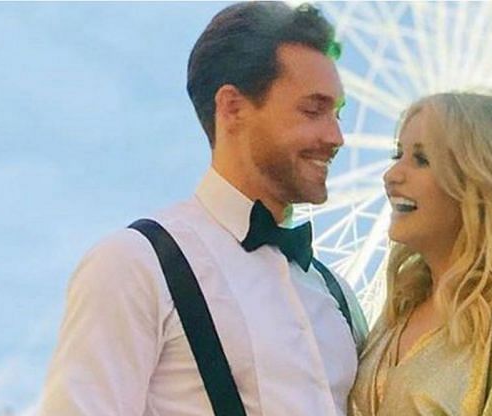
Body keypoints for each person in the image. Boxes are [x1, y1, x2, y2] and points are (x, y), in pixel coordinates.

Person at [39, 2, 367, 415]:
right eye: (313, 110)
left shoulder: (338, 296)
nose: (336, 137)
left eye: (337, 114)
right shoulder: (134, 264)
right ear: (232, 107)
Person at [349, 91, 492, 415]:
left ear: (480, 184)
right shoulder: (398, 312)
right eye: (398, 154)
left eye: (421, 160)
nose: (392, 175)